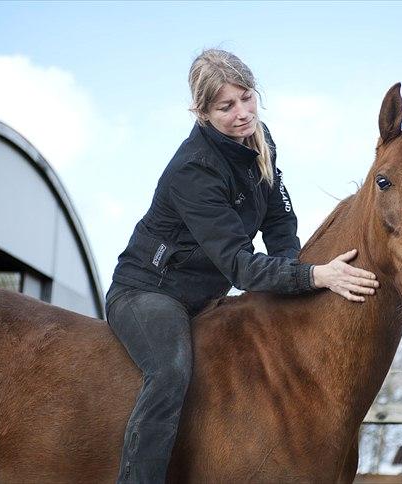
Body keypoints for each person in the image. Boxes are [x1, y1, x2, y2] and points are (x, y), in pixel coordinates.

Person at [104, 48, 379, 483]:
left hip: (207, 296)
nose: (241, 114)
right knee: (169, 372)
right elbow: (240, 265)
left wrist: (292, 275)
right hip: (148, 292)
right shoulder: (193, 170)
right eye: (226, 107)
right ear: (201, 112)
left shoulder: (259, 138)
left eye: (247, 98)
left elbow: (279, 219)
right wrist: (314, 275)